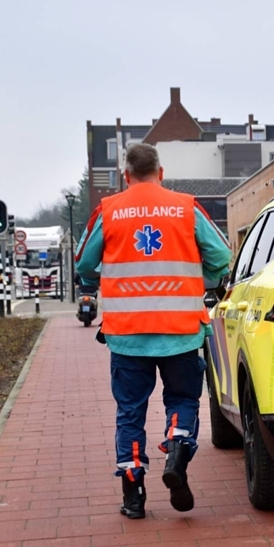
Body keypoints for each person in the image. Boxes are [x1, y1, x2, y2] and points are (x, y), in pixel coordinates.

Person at [75, 143, 232, 518]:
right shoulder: (186, 207)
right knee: (182, 400)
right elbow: (222, 257)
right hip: (180, 330)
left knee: (130, 411)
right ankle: (177, 450)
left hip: (127, 334)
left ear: (125, 176)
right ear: (161, 173)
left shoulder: (109, 211)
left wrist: (101, 279)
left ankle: (134, 496)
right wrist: (201, 280)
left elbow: (84, 262)